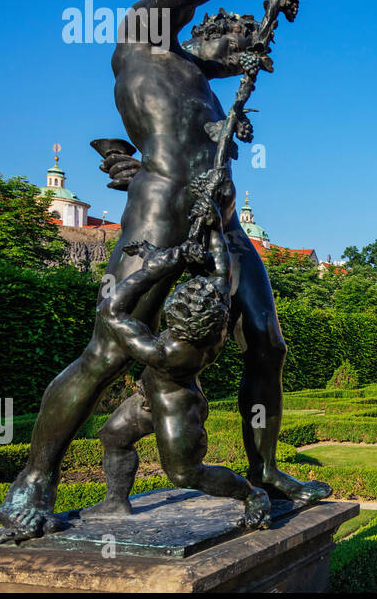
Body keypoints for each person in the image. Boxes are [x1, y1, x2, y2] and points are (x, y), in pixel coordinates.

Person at [0, 0, 329, 543]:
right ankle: (34, 480)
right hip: (163, 214)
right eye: (240, 43)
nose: (248, 54)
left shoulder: (200, 86)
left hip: (224, 225)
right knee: (108, 352)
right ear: (204, 30)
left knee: (269, 344)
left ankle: (266, 472)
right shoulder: (143, 43)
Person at [84, 191, 271, 529]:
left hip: (176, 406)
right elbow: (220, 268)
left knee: (185, 473)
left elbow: (110, 310)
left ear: (178, 317)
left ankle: (251, 494)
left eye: (182, 297)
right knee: (113, 436)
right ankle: (115, 502)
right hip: (151, 396)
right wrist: (214, 222)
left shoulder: (166, 353)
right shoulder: (217, 320)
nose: (186, 289)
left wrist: (152, 271)